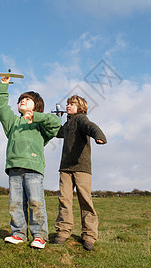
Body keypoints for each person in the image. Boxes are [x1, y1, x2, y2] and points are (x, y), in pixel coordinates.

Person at [0, 76, 61, 249]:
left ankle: (39, 236)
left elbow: (56, 123)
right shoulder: (13, 123)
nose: (22, 101)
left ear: (37, 105)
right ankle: (18, 234)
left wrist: (37, 117)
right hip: (14, 168)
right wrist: (3, 87)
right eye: (21, 100)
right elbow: (2, 109)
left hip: (34, 168)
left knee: (35, 201)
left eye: (28, 100)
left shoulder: (40, 124)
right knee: (15, 203)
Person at [53, 95, 107, 251]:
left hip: (81, 168)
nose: (68, 106)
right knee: (64, 200)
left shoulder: (81, 119)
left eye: (72, 104)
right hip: (65, 168)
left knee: (85, 201)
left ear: (81, 107)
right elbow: (58, 133)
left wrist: (99, 136)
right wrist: (57, 119)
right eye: (68, 104)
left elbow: (91, 127)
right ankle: (63, 232)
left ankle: (89, 237)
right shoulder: (68, 123)